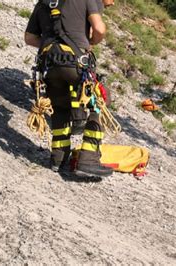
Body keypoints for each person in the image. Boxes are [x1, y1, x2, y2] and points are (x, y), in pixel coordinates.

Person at [24, 0, 115, 177]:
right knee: (100, 101)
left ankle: (58, 159)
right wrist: (89, 43)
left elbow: (29, 37)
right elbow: (99, 29)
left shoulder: (44, 2)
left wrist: (52, 45)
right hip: (75, 63)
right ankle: (88, 159)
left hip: (48, 65)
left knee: (60, 108)